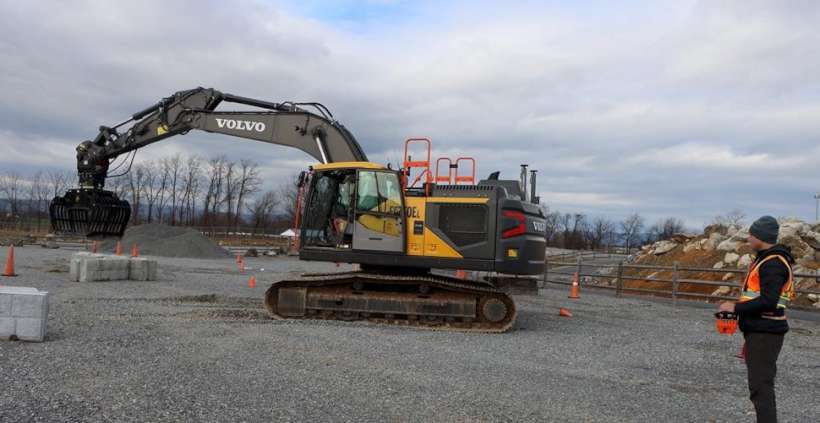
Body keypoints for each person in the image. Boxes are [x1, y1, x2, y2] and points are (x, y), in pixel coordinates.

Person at [719, 216, 795, 423]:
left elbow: (769, 301)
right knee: (759, 386)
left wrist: (736, 308)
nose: (749, 238)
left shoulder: (772, 264)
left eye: (752, 234)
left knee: (761, 388)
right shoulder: (766, 260)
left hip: (765, 332)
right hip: (760, 330)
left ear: (761, 236)